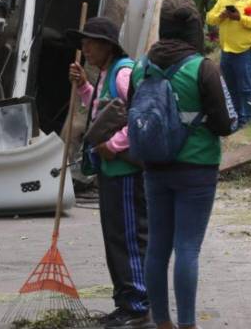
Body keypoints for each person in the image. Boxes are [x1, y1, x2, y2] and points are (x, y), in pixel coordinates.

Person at [133, 0, 237, 329]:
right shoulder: (202, 68)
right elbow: (223, 124)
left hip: (154, 167)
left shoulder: (141, 67)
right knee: (187, 248)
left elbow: (133, 115)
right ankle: (188, 324)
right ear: (192, 29)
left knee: (157, 248)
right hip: (197, 167)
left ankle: (162, 322)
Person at [67, 17, 153, 329]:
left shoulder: (125, 72)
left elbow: (140, 115)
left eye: (91, 42)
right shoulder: (105, 73)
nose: (85, 48)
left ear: (108, 46)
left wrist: (114, 144)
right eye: (83, 42)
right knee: (115, 238)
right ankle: (126, 302)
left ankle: (139, 304)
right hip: (110, 170)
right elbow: (103, 111)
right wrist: (83, 86)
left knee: (129, 237)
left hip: (125, 170)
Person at [206, 0, 251, 127]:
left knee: (245, 87)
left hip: (244, 51)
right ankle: (237, 118)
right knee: (230, 87)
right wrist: (221, 16)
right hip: (227, 51)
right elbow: (209, 18)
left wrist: (240, 18)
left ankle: (250, 120)